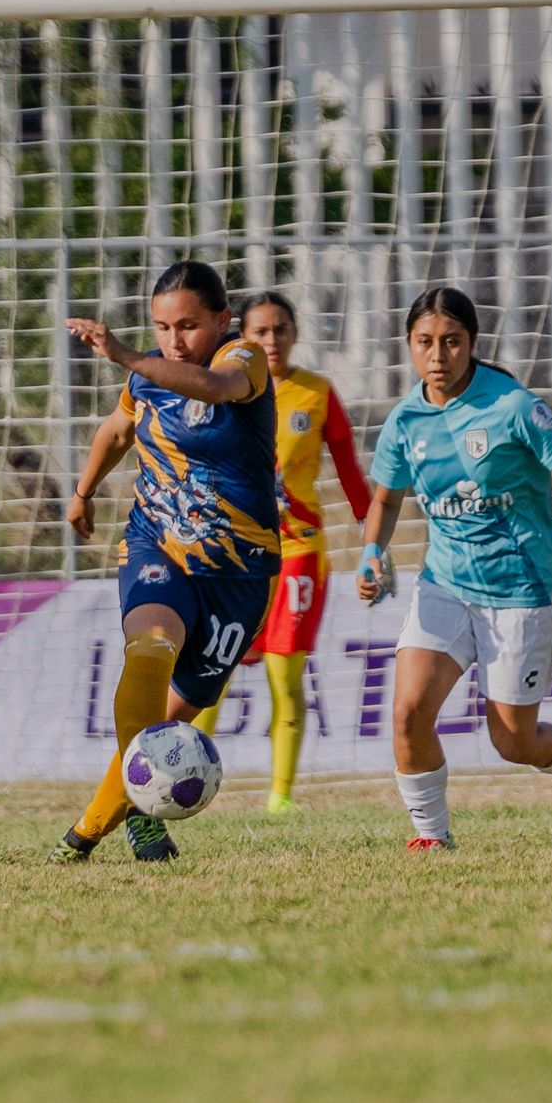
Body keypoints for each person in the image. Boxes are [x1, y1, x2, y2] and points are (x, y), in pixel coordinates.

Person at [357, 286, 552, 852]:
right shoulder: (405, 421)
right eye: (425, 342)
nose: (438, 355)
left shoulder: (513, 406)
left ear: (472, 343)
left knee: (513, 742)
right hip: (444, 586)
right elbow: (385, 498)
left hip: (521, 591)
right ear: (409, 345)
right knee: (406, 713)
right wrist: (371, 553)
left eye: (451, 342)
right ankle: (432, 838)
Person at [49, 261, 280, 863]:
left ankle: (85, 833)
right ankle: (146, 826)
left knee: (176, 720)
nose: (175, 340)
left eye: (189, 326)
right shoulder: (147, 377)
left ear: (222, 321)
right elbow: (118, 430)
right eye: (162, 327)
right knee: (149, 647)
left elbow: (216, 389)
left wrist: (126, 353)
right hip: (157, 543)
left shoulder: (244, 360)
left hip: (239, 573)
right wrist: (82, 492)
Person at [193, 292, 370, 814]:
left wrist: (373, 541)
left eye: (281, 329)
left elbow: (349, 471)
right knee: (211, 675)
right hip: (235, 552)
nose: (271, 341)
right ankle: (191, 783)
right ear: (241, 336)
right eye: (260, 332)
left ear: (294, 333)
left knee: (284, 677)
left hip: (297, 552)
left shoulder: (316, 393)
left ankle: (281, 798)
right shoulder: (223, 387)